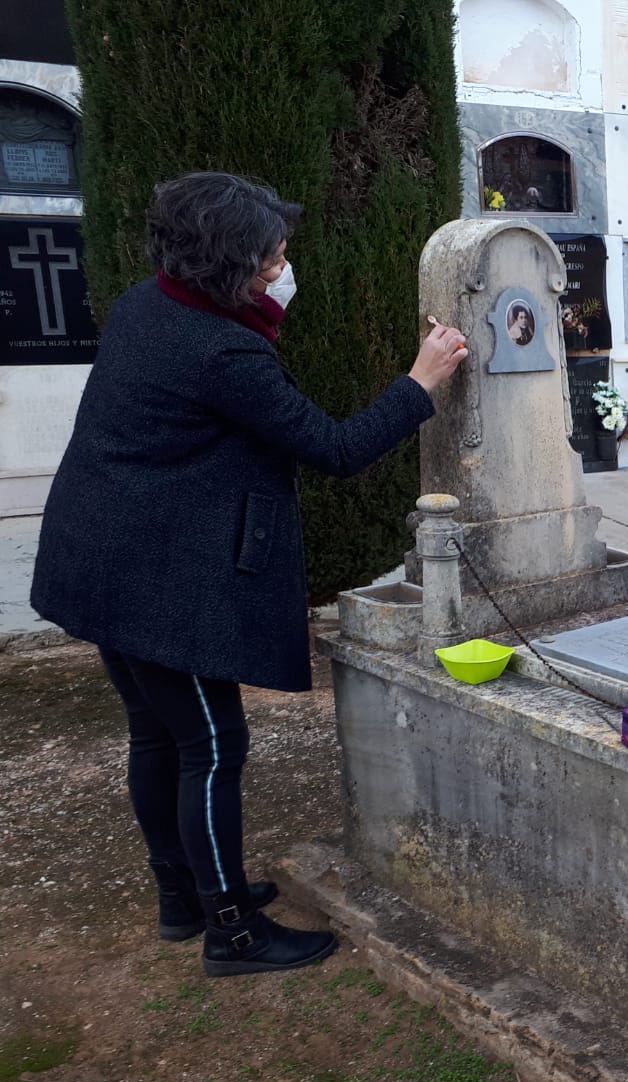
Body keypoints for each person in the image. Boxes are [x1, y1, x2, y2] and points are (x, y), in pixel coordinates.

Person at [29, 172, 469, 978]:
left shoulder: (147, 305)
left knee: (158, 734)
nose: (281, 266)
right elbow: (335, 449)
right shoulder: (223, 349)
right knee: (211, 742)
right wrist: (422, 379)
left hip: (98, 559)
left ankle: (184, 899)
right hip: (156, 582)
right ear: (230, 263)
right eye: (271, 258)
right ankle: (232, 932)